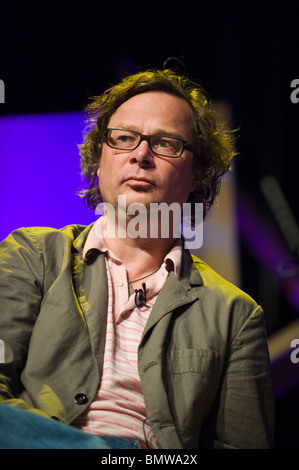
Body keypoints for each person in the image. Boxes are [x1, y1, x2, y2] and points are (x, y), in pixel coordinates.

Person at [0, 67, 274, 449]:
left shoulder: (235, 314)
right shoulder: (33, 254)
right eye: (124, 139)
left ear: (197, 173)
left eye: (165, 144)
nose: (140, 155)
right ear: (100, 159)